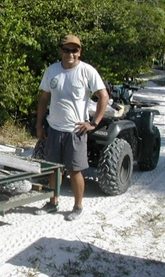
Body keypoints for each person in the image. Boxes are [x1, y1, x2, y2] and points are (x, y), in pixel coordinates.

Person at [35, 34, 109, 221]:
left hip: (76, 131)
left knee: (75, 170)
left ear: (79, 52)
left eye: (74, 50)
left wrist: (93, 123)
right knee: (53, 168)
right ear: (61, 51)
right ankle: (53, 202)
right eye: (66, 50)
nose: (70, 54)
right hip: (54, 128)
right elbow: (44, 99)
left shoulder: (87, 71)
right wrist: (39, 125)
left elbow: (103, 96)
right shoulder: (52, 71)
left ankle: (77, 206)